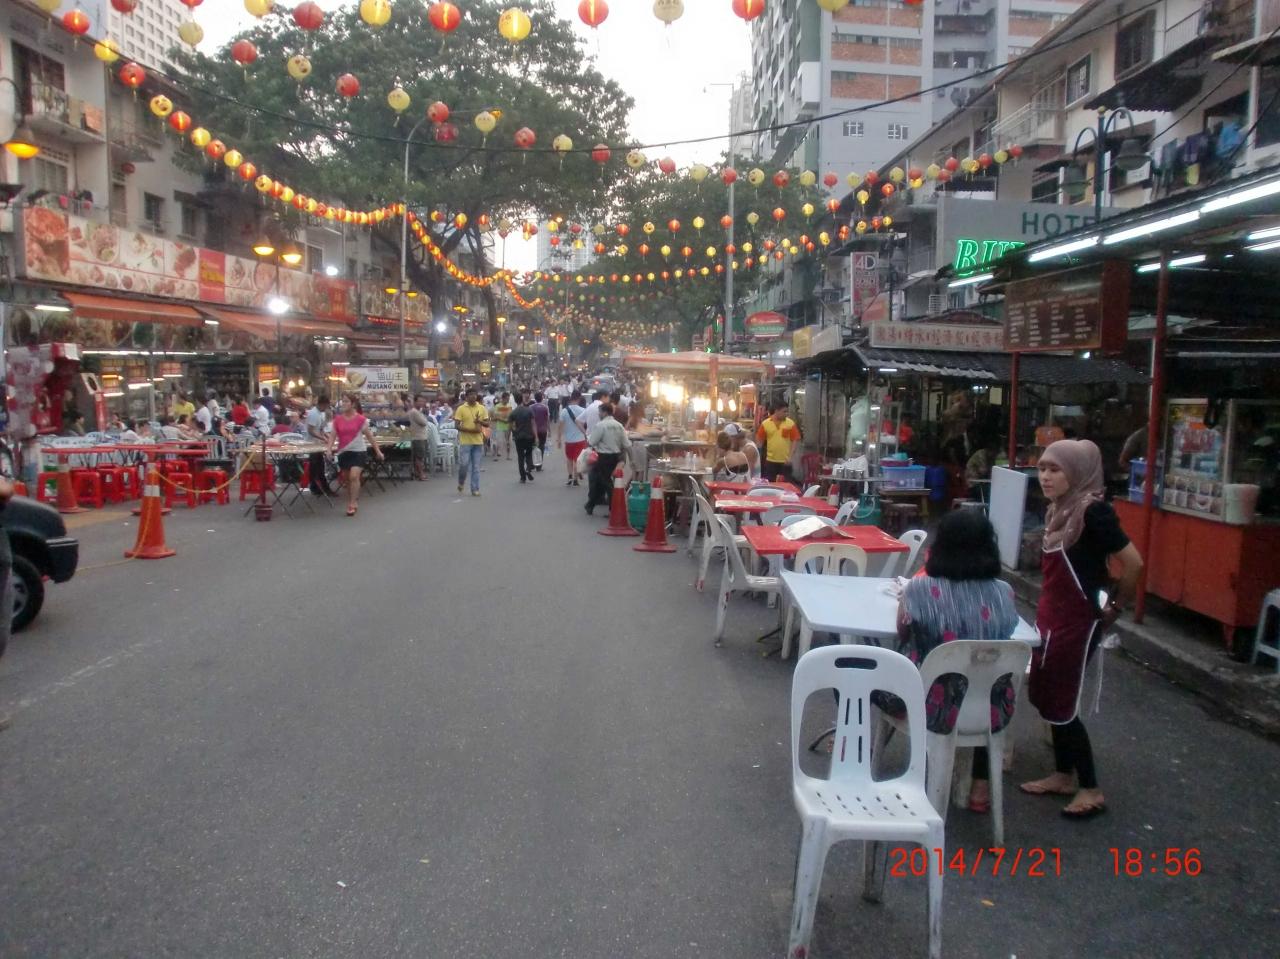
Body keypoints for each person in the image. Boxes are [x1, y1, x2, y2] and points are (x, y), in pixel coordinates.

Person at [1020, 439, 1144, 820]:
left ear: (1076, 473)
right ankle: (1063, 774)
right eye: (1042, 468)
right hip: (1050, 616)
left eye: (1055, 470)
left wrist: (1115, 607)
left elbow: (1134, 564)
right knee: (1044, 692)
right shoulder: (1059, 509)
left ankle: (1090, 788)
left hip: (1076, 621)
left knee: (1063, 699)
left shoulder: (1093, 513)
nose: (1045, 476)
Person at [881, 510, 1021, 812]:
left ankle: (861, 757)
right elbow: (1006, 633)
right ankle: (980, 788)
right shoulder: (1004, 593)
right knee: (983, 674)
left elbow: (902, 631)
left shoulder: (919, 589)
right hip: (992, 709)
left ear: (940, 546)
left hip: (930, 705)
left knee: (861, 664)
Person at [328, 395, 383, 517]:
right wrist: (329, 449)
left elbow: (369, 436)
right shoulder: (337, 420)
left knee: (354, 476)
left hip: (358, 451)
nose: (343, 404)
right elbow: (332, 435)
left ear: (353, 404)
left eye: (346, 401)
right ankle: (352, 499)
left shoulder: (361, 419)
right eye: (343, 401)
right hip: (343, 451)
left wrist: (378, 451)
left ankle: (352, 503)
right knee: (347, 479)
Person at [584, 402, 631, 516]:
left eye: (600, 412)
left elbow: (592, 442)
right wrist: (631, 459)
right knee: (602, 481)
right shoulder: (619, 425)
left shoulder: (601, 425)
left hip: (603, 457)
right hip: (615, 456)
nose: (599, 414)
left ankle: (610, 508)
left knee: (604, 482)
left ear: (604, 412)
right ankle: (591, 505)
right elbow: (626, 443)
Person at [453, 387, 489, 496]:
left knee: (476, 467)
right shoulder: (461, 409)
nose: (473, 396)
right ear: (467, 396)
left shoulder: (482, 408)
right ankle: (461, 482)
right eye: (471, 394)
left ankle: (475, 489)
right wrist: (470, 430)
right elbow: (456, 425)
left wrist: (479, 422)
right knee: (464, 465)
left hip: (478, 442)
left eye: (475, 394)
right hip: (465, 441)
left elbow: (487, 424)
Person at [757, 401, 800, 482]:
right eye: (784, 411)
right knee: (770, 484)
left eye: (787, 411)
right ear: (776, 411)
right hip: (770, 461)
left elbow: (795, 440)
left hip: (785, 462)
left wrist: (790, 457)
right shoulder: (765, 424)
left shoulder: (790, 424)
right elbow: (759, 442)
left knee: (786, 484)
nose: (786, 414)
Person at [305, 395, 335, 497]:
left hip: (318, 443)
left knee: (320, 466)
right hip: (312, 443)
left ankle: (319, 487)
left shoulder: (321, 414)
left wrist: (327, 437)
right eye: (326, 406)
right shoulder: (313, 413)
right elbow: (311, 430)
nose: (326, 409)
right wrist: (323, 438)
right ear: (322, 404)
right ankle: (316, 486)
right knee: (315, 466)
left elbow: (321, 429)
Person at [559, 390, 588, 486]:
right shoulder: (583, 410)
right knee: (577, 460)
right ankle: (575, 479)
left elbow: (560, 426)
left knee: (569, 459)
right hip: (580, 439)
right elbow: (585, 425)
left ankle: (570, 476)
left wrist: (558, 439)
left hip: (569, 440)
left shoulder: (564, 411)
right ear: (579, 398)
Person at [509, 392, 538, 483]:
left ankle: (522, 477)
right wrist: (536, 436)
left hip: (519, 437)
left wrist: (514, 432)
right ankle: (528, 469)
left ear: (515, 401)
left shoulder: (513, 412)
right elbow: (533, 424)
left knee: (520, 457)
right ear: (522, 399)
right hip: (529, 436)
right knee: (529, 454)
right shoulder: (529, 410)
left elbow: (511, 426)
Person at [408, 393, 432, 481]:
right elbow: (424, 422)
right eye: (419, 401)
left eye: (422, 401)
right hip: (418, 437)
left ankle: (418, 473)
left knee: (420, 457)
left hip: (421, 436)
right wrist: (425, 417)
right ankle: (421, 474)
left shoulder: (419, 411)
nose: (421, 403)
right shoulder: (414, 412)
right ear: (415, 402)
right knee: (419, 457)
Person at [530, 391, 550, 471]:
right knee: (541, 447)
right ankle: (539, 466)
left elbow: (530, 419)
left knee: (533, 447)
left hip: (533, 431)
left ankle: (531, 464)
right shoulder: (545, 407)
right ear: (542, 398)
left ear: (535, 398)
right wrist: (549, 430)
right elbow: (547, 420)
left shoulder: (531, 407)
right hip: (543, 430)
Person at [492, 391, 514, 460]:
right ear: (503, 398)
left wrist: (511, 423)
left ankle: (508, 456)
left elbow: (511, 415)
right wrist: (503, 420)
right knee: (498, 442)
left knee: (509, 442)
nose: (508, 400)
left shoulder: (509, 406)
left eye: (508, 399)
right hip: (500, 427)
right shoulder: (497, 406)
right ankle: (495, 456)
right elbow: (495, 417)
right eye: (507, 399)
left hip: (508, 427)